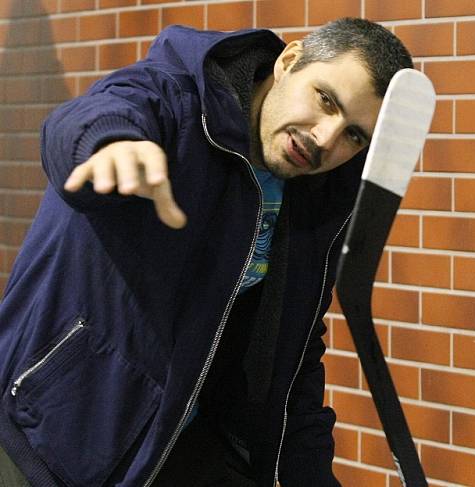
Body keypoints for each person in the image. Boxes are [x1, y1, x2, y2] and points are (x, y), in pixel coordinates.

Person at [0, 17, 412, 486]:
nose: (324, 138)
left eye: (354, 135)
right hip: (45, 439)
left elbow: (291, 354)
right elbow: (89, 116)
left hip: (182, 449)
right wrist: (111, 142)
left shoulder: (320, 199)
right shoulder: (175, 99)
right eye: (325, 100)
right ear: (289, 60)